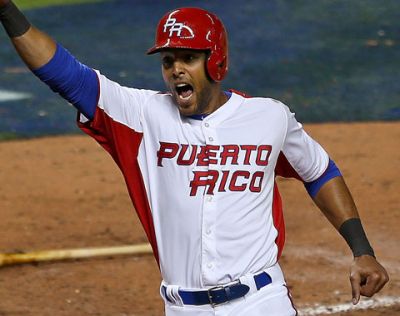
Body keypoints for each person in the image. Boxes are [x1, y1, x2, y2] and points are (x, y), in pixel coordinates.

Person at [0, 2, 389, 315]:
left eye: (188, 57)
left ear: (216, 61)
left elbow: (320, 171)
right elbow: (65, 74)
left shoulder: (268, 117)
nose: (175, 70)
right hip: (182, 307)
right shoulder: (142, 115)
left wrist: (362, 250)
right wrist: (6, 10)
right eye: (168, 61)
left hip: (261, 303)